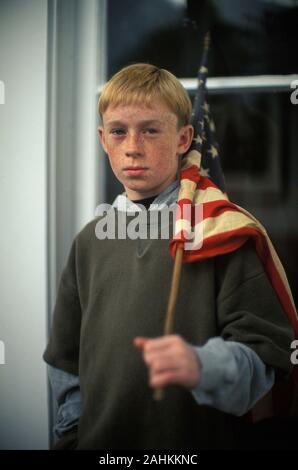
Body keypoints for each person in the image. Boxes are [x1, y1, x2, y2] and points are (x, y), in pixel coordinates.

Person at [43, 63, 295, 450]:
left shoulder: (220, 232)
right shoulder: (88, 243)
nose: (132, 147)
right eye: (118, 131)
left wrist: (202, 366)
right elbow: (65, 364)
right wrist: (72, 438)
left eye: (150, 130)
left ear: (183, 139)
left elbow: (263, 358)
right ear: (102, 139)